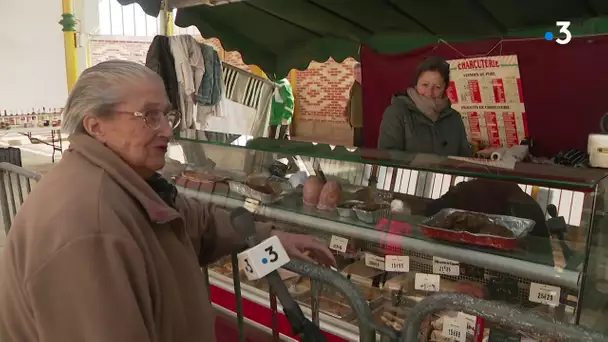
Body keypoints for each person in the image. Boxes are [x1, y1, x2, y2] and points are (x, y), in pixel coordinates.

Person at [0, 60, 336, 342]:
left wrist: (272, 240)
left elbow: (198, 224)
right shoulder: (89, 226)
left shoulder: (131, 184)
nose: (167, 131)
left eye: (166, 115)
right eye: (149, 116)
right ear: (96, 126)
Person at [378, 56, 472, 156]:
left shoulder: (454, 118)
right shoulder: (397, 113)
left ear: (445, 89)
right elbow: (387, 156)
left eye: (437, 87)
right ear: (416, 84)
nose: (429, 93)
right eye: (425, 85)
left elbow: (463, 158)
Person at [344, 63, 364, 147]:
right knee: (358, 147)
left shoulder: (368, 86)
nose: (356, 75)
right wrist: (347, 113)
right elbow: (350, 101)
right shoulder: (354, 87)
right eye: (355, 73)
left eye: (359, 73)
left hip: (366, 124)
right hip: (356, 123)